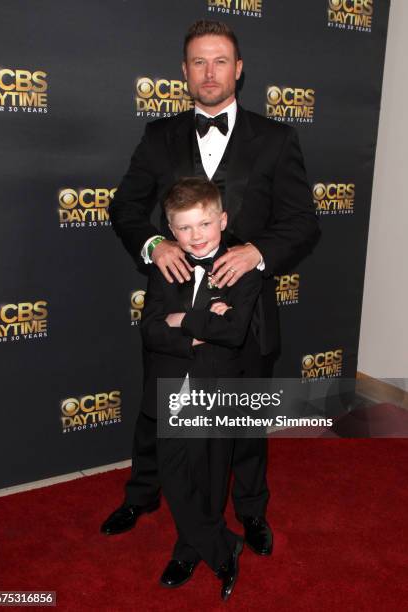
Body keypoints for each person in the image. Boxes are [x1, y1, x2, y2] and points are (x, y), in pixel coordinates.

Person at [103, 19, 319, 579]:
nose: (209, 72)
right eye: (198, 62)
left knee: (243, 422)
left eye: (220, 60)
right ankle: (144, 494)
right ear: (183, 72)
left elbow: (302, 224)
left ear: (239, 69)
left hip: (245, 317)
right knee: (160, 414)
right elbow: (125, 209)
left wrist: (257, 253)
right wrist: (153, 243)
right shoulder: (159, 137)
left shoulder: (276, 139)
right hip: (172, 306)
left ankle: (249, 511)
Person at [141, 176, 261, 600]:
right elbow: (150, 330)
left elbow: (233, 332)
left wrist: (184, 321)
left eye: (204, 225)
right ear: (171, 231)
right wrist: (206, 320)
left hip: (217, 386)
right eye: (185, 228)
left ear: (222, 220)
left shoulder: (241, 267)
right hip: (174, 386)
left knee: (211, 478)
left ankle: (188, 548)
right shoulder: (165, 266)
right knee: (175, 478)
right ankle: (222, 544)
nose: (195, 236)